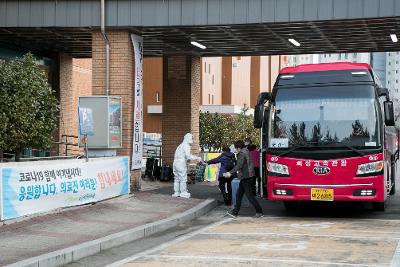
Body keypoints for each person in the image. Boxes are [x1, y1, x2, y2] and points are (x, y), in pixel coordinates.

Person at [224, 140, 263, 218]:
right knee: (239, 195)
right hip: (246, 176)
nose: (235, 149)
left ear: (238, 148)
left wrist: (230, 173)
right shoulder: (246, 151)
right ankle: (235, 212)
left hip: (246, 177)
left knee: (250, 196)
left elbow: (239, 165)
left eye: (235, 148)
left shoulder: (241, 153)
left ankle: (259, 212)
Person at [172, 133, 202, 198]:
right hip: (181, 163)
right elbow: (188, 156)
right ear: (187, 138)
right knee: (183, 178)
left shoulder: (180, 146)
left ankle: (176, 192)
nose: (192, 140)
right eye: (191, 138)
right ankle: (183, 192)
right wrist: (197, 158)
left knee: (176, 178)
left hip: (175, 162)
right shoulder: (186, 145)